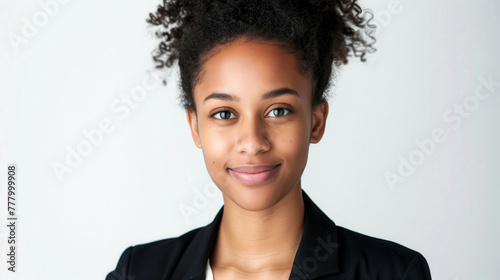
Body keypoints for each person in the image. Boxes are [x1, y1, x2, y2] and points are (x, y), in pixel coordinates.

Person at [106, 0, 432, 279]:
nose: (252, 141)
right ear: (195, 128)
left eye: (278, 111)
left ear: (316, 121)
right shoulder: (139, 272)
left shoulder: (392, 273)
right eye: (224, 114)